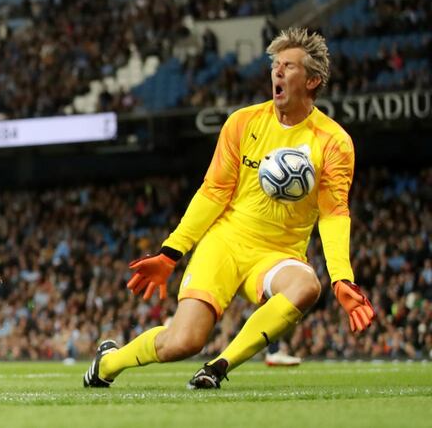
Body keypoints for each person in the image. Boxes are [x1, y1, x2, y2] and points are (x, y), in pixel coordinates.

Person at [83, 27, 375, 389]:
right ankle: (108, 363)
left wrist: (342, 278)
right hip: (226, 242)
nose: (278, 72)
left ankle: (218, 367)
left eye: (289, 66)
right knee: (183, 341)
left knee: (306, 285)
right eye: (275, 65)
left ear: (313, 80)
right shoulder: (243, 122)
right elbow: (213, 193)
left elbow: (334, 214)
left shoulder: (334, 142)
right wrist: (170, 253)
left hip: (278, 253)